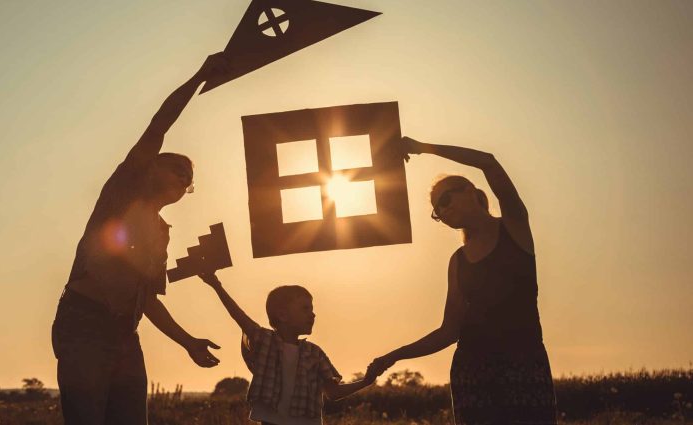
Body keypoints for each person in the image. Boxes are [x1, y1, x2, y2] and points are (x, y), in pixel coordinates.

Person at [51, 53, 229, 425]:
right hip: (84, 323)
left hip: (125, 336)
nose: (182, 178)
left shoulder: (161, 233)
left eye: (187, 178)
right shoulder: (121, 193)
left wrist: (188, 342)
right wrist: (199, 76)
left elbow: (146, 299)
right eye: (176, 167)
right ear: (150, 167)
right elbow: (159, 125)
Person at [369, 137, 557, 424]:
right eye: (436, 211)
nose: (442, 212)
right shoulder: (458, 262)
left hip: (525, 366)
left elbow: (488, 161)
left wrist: (423, 147)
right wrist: (394, 356)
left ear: (470, 191)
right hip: (473, 373)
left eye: (445, 200)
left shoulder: (514, 227)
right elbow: (449, 331)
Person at [199, 271, 380, 425]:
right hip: (271, 421)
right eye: (305, 309)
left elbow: (333, 392)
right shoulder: (265, 341)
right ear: (283, 315)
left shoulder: (315, 353)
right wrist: (216, 285)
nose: (313, 314)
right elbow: (238, 315)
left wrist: (366, 381)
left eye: (312, 309)